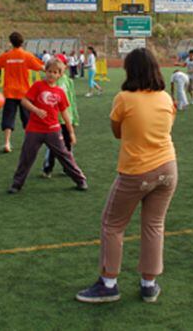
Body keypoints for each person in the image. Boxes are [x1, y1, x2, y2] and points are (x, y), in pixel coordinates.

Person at [76, 48, 177, 304]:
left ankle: (109, 283)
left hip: (137, 170)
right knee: (154, 225)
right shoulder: (165, 98)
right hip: (168, 168)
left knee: (113, 223)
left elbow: (117, 131)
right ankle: (149, 284)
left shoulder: (124, 98)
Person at [8, 58, 87, 194]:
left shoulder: (60, 92)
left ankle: (80, 180)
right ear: (45, 71)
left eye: (55, 72)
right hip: (34, 130)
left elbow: (65, 113)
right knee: (26, 157)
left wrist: (71, 132)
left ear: (60, 75)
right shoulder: (38, 86)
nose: (51, 75)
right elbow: (24, 101)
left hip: (53, 131)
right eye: (49, 71)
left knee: (65, 156)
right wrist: (36, 110)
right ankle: (16, 184)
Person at [0, 31, 44, 153]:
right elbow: (41, 67)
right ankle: (29, 143)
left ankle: (7, 143)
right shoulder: (27, 55)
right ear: (22, 42)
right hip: (25, 93)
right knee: (27, 119)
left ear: (11, 43)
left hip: (10, 92)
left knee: (8, 118)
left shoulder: (7, 56)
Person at [41, 55, 80, 179]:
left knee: (67, 145)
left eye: (62, 65)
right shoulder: (51, 82)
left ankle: (67, 168)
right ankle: (48, 168)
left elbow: (72, 100)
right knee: (53, 146)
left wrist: (74, 117)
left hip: (67, 118)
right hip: (54, 120)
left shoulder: (69, 82)